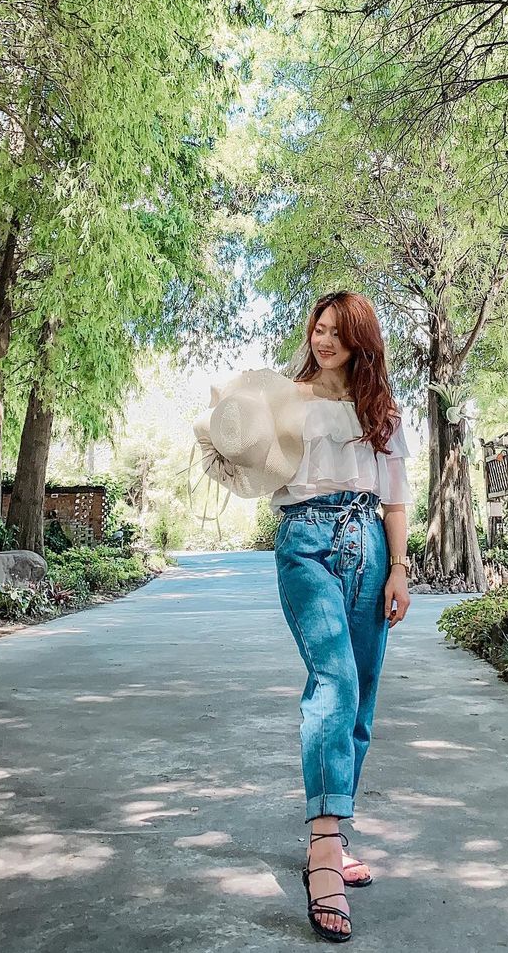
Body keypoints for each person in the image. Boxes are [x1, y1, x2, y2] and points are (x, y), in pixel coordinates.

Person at [193, 290, 411, 943]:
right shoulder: (281, 400)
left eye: (339, 332)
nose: (325, 340)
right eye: (319, 328)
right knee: (334, 682)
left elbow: (396, 498)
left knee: (361, 701)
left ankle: (335, 832)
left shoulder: (381, 412)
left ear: (360, 340)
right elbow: (237, 456)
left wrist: (399, 568)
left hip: (369, 545)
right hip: (306, 543)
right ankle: (322, 854)